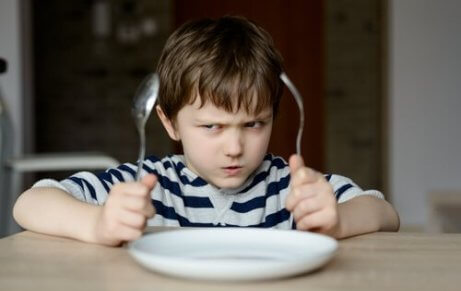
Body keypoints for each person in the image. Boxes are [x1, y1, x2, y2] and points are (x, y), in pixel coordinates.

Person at [13, 16, 399, 246]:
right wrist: (98, 225)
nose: (234, 147)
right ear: (169, 122)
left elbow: (384, 211)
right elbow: (30, 202)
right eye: (211, 126)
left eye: (253, 124)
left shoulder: (289, 187)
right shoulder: (150, 182)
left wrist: (338, 221)